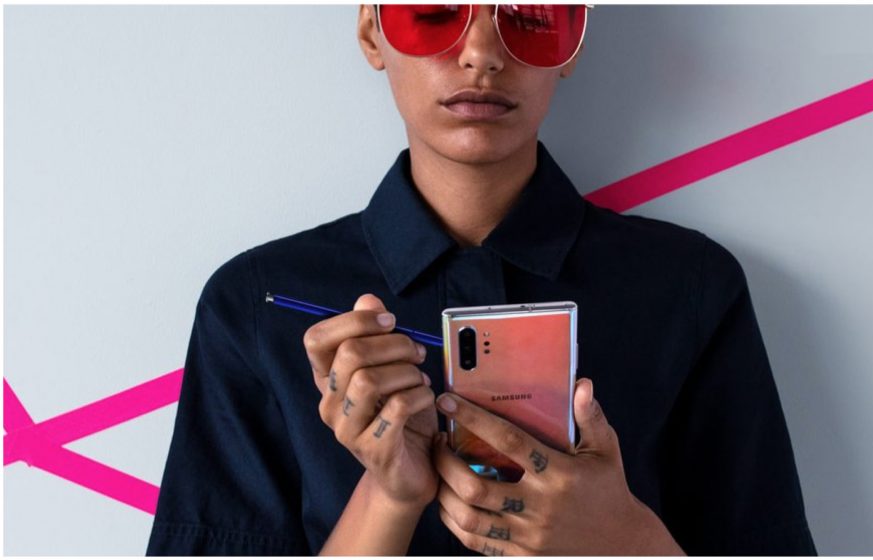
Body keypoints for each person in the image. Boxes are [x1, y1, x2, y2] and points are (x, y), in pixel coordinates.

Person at [147, 4, 817, 556]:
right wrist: (388, 496)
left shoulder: (689, 289)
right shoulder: (257, 304)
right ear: (372, 32)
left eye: (528, 17)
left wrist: (625, 541)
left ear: (574, 41)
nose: (481, 54)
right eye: (434, 13)